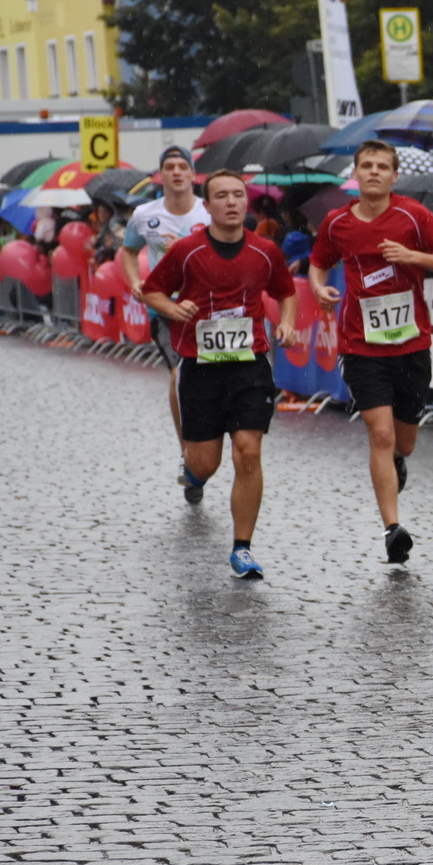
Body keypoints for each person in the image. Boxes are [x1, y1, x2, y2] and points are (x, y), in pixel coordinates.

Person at [310, 139, 433, 564]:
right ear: (355, 174)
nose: (374, 172)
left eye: (382, 166)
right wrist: (318, 287)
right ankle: (393, 529)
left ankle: (397, 460)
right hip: (361, 345)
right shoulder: (337, 222)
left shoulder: (413, 216)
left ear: (395, 176)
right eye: (367, 165)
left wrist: (412, 256)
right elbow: (319, 261)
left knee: (403, 443)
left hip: (411, 344)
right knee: (379, 433)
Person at [138, 170, 295, 579]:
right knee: (206, 464)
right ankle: (193, 474)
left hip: (249, 365)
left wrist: (288, 324)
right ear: (206, 206)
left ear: (246, 202)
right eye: (221, 196)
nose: (231, 202)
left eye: (238, 195)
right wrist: (173, 309)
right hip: (201, 367)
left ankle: (242, 549)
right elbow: (151, 290)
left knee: (249, 451)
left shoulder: (265, 250)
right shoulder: (187, 250)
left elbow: (286, 292)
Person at [122, 145, 213, 502]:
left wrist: (190, 247)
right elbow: (129, 251)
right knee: (179, 375)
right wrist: (135, 281)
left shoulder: (208, 211)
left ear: (192, 174)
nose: (176, 172)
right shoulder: (144, 214)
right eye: (169, 167)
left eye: (182, 167)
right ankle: (187, 452)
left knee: (210, 382)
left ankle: (207, 449)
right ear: (159, 176)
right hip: (164, 308)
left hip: (206, 308)